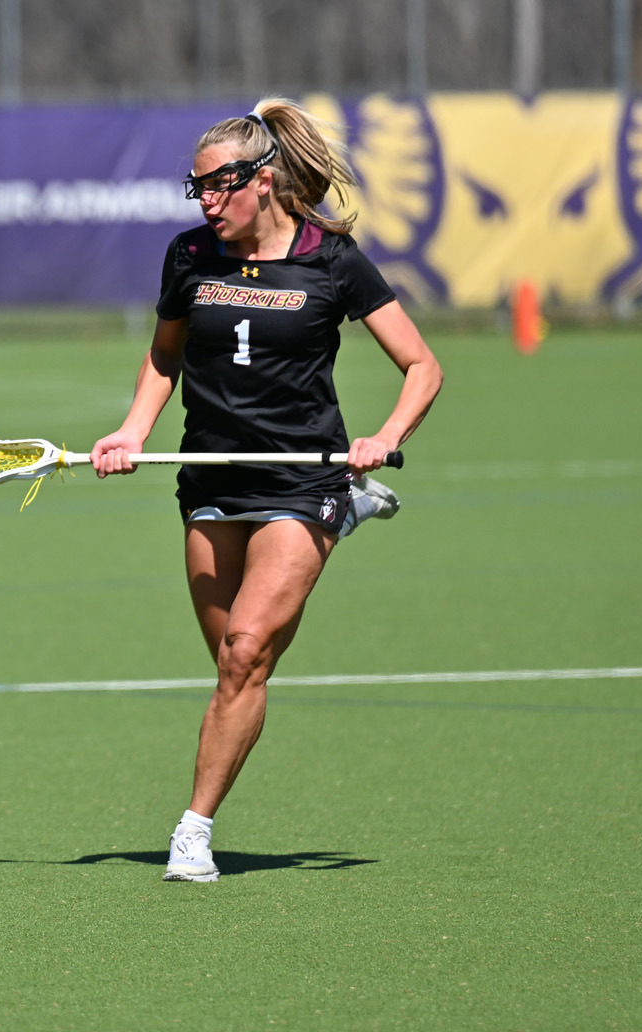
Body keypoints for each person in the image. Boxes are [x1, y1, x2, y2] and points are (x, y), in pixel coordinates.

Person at [89, 99, 443, 883]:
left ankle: (192, 830)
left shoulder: (333, 259)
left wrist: (385, 437)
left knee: (247, 653)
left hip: (300, 474)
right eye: (197, 187)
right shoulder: (188, 256)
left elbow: (423, 367)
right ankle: (346, 519)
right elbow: (163, 357)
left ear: (265, 179)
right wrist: (132, 432)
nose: (206, 202)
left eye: (220, 186)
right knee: (232, 660)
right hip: (211, 476)